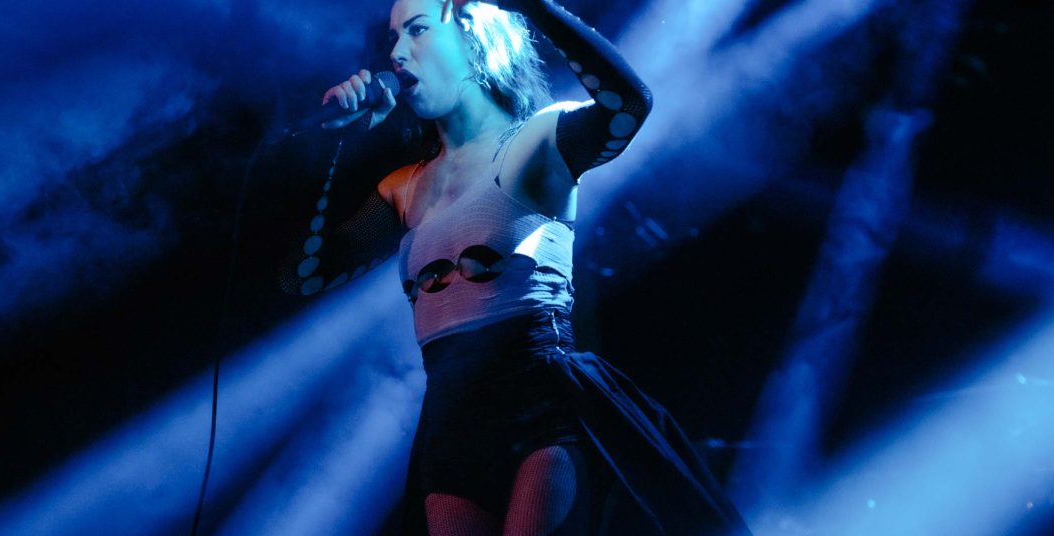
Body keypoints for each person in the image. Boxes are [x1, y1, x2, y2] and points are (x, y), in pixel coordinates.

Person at [280, 0, 752, 534]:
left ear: (474, 38)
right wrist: (336, 141)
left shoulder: (540, 139)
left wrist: (533, 4)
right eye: (392, 39)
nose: (397, 54)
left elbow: (629, 103)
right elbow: (302, 276)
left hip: (539, 406)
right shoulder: (403, 188)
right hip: (450, 425)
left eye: (417, 30)